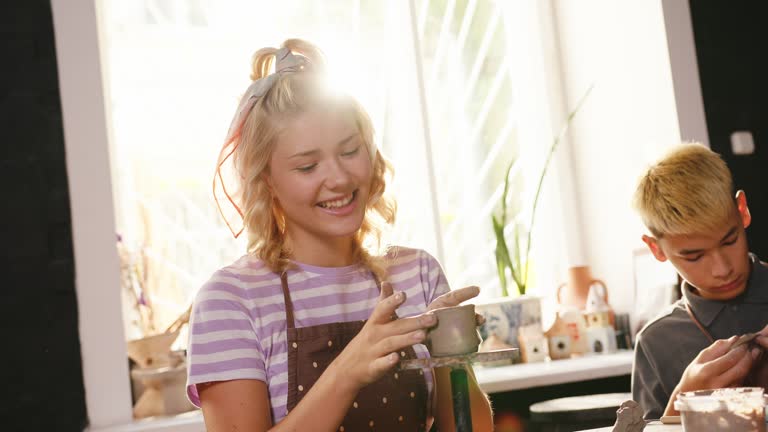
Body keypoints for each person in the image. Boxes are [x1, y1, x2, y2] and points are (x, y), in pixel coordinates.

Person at [185, 39, 494, 432]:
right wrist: (347, 371)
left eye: (350, 151)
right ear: (267, 182)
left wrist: (454, 359)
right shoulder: (230, 302)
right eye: (308, 166)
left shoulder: (416, 274)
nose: (339, 179)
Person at [630, 142, 768, 419]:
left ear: (742, 210)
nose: (722, 269)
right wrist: (682, 403)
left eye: (730, 241)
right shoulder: (655, 342)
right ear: (656, 249)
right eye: (694, 257)